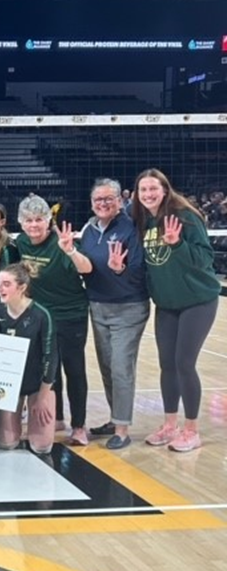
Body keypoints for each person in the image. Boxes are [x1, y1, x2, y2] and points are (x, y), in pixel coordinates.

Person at [131, 168, 221, 452]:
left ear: (165, 190)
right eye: (143, 190)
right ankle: (170, 425)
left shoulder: (185, 216)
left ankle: (191, 430)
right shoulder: (145, 220)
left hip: (197, 300)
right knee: (166, 364)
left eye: (153, 189)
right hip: (167, 304)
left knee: (184, 363)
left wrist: (178, 244)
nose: (148, 194)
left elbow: (205, 259)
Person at [57, 179, 150, 450]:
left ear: (120, 200)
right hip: (97, 306)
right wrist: (70, 251)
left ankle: (122, 428)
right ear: (91, 203)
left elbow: (136, 269)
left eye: (109, 199)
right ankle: (114, 417)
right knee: (108, 366)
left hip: (129, 307)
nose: (103, 204)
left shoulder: (131, 227)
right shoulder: (89, 229)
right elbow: (85, 267)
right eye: (98, 200)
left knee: (121, 367)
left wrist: (118, 269)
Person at [15, 194, 89, 444]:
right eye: (28, 220)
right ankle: (57, 418)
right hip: (41, 317)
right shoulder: (22, 243)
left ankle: (79, 426)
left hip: (70, 315)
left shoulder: (61, 242)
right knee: (49, 368)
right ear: (21, 223)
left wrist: (71, 252)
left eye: (39, 220)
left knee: (74, 369)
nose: (34, 225)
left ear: (48, 221)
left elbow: (86, 268)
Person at [0, 263, 58, 455]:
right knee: (7, 443)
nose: (0, 289)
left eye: (6, 284)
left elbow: (50, 357)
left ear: (21, 287)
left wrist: (43, 397)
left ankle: (39, 406)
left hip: (37, 384)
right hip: (9, 385)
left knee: (42, 446)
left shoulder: (42, 315)